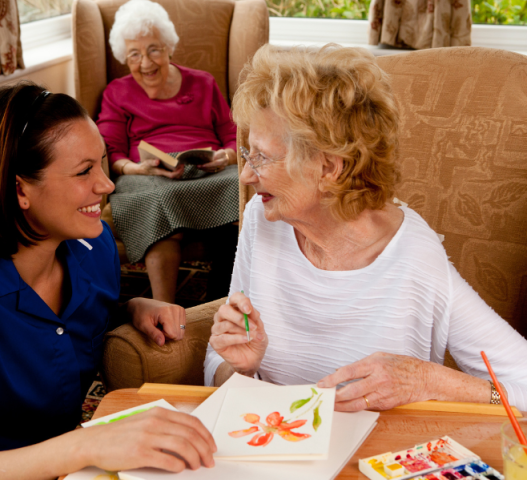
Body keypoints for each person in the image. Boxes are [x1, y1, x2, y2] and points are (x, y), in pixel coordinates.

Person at [0, 82, 216, 480]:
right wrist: (90, 443)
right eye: (84, 171)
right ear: (20, 189)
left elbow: (52, 332)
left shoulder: (94, 252)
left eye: (102, 162)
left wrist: (129, 308)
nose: (106, 185)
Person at [204, 44, 527, 412]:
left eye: (261, 157)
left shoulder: (412, 257)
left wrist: (429, 380)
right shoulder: (264, 219)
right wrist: (239, 367)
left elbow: (522, 384)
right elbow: (218, 365)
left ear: (328, 168)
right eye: (248, 154)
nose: (245, 174)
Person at [97, 0, 239, 304]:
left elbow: (232, 135)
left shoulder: (203, 82)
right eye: (134, 54)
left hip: (208, 172)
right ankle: (165, 310)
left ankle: (222, 301)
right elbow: (110, 151)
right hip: (148, 176)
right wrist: (135, 168)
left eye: (153, 50)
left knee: (243, 185)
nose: (145, 62)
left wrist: (224, 157)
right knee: (156, 198)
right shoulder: (116, 92)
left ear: (169, 48)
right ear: (125, 58)